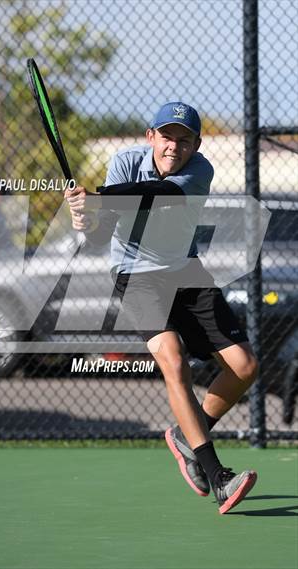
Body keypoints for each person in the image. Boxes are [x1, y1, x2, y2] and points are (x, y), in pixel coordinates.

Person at [64, 102, 258, 514]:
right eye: (167, 136)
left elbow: (160, 196)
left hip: (185, 270)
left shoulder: (199, 171)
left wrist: (97, 198)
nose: (174, 145)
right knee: (174, 361)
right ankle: (217, 476)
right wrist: (85, 218)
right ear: (150, 136)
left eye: (184, 138)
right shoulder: (124, 162)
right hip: (135, 275)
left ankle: (188, 436)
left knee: (244, 367)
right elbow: (100, 240)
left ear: (196, 144)